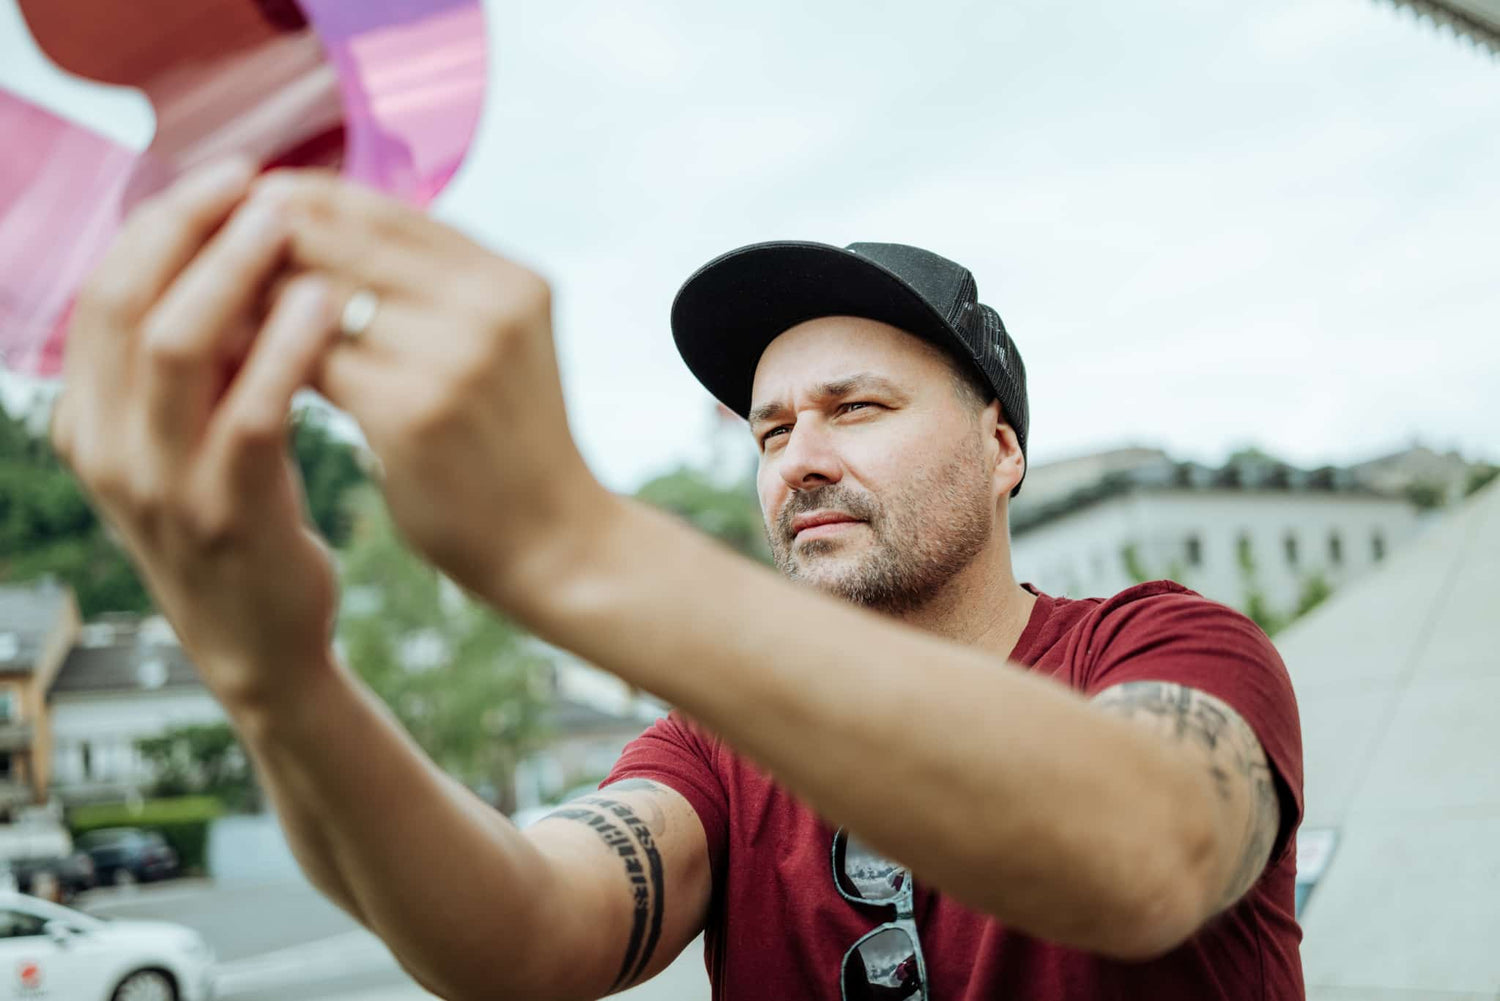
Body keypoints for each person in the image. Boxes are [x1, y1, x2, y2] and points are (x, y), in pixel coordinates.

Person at [51, 160, 1303, 1000]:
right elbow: (524, 935)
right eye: (767, 431)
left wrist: (571, 543)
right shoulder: (715, 749)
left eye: (856, 407)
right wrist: (278, 676)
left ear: (1001, 448)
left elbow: (1144, 845)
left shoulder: (1170, 648)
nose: (800, 457)